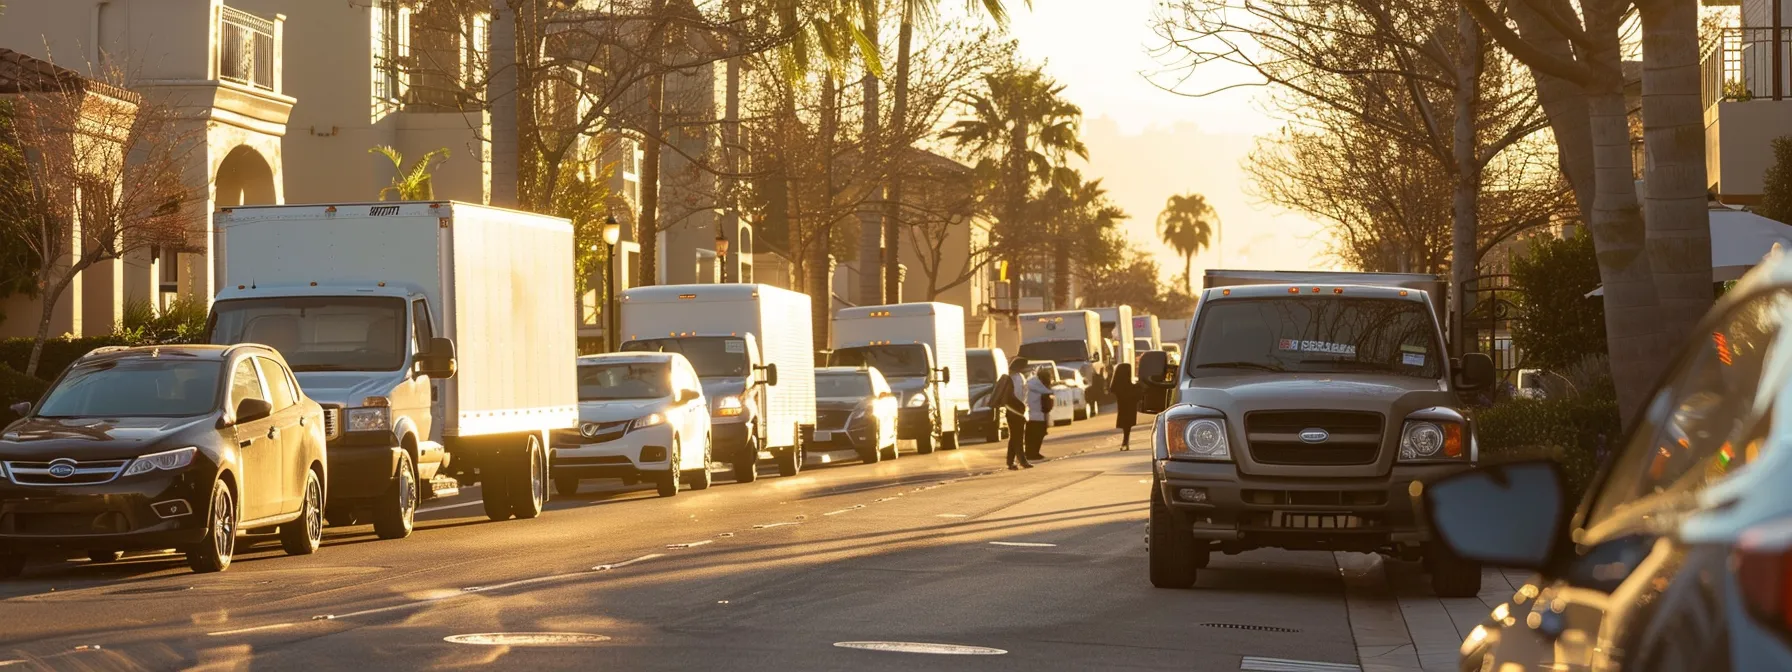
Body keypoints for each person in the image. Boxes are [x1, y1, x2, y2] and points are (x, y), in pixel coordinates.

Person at [993, 357, 1033, 470]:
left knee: (1014, 437)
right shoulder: (1015, 378)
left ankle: (1010, 462)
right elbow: (1016, 396)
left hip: (1017, 410)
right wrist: (1021, 408)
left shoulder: (1017, 377)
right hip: (1015, 411)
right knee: (1018, 437)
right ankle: (1022, 461)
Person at [1025, 365, 1056, 462]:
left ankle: (1031, 453)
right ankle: (1033, 453)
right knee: (1037, 435)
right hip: (1037, 415)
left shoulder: (1031, 383)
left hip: (1031, 415)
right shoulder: (1039, 386)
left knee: (1032, 435)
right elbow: (1048, 392)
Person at [1109, 362, 1139, 450]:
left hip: (1122, 407)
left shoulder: (1117, 386)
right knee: (1128, 426)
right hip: (1130, 408)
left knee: (1126, 425)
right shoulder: (1130, 386)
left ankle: (1125, 442)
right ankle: (1125, 442)